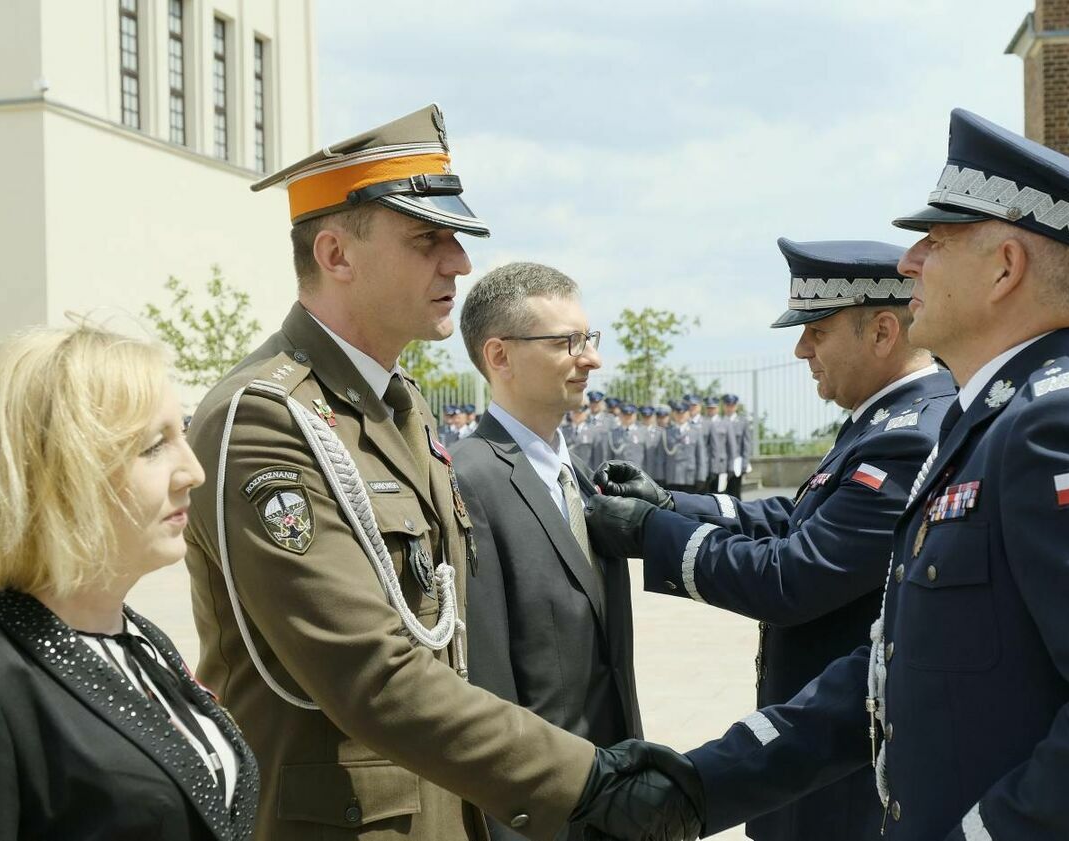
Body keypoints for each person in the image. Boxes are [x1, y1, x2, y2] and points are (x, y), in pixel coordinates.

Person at [581, 108, 1069, 841]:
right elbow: (901, 664)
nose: (908, 263)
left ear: (1005, 267)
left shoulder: (1057, 427)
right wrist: (704, 782)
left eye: (935, 241)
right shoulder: (992, 418)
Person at [181, 104, 697, 841]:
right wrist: (588, 780)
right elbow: (375, 675)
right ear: (336, 254)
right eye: (428, 239)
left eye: (454, 240)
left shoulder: (404, 409)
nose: (457, 263)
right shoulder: (267, 419)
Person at [591, 239, 956, 841]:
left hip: (841, 773)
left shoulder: (909, 435)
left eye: (816, 329)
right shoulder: (887, 420)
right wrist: (674, 503)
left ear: (883, 331)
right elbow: (801, 514)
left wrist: (653, 533)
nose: (801, 348)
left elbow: (796, 576)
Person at [0, 324, 260, 840]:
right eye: (155, 447)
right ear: (56, 474)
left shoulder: (136, 639)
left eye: (185, 433)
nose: (193, 472)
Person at [452, 262, 643, 841]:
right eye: (565, 342)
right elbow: (486, 681)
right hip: (541, 811)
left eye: (588, 339)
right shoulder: (468, 478)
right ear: (499, 356)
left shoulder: (579, 477)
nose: (591, 359)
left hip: (610, 792)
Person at [720, 395, 753, 497]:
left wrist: (745, 463)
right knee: (721, 493)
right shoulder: (719, 422)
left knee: (735, 492)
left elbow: (746, 444)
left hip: (736, 463)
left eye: (732, 405)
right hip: (722, 463)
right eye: (727, 405)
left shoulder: (743, 422)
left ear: (736, 406)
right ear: (724, 406)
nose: (730, 408)